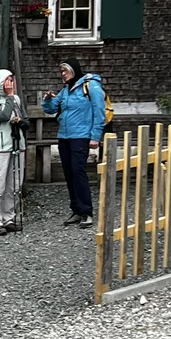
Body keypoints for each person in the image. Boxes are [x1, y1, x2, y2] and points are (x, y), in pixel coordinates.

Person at [41, 61, 107, 226]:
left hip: (81, 136)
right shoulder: (66, 90)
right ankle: (76, 210)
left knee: (78, 172)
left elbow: (100, 111)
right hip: (64, 136)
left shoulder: (91, 86)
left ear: (74, 70)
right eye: (61, 71)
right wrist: (47, 100)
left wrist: (95, 137)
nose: (63, 74)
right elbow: (50, 109)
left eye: (65, 71)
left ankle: (87, 212)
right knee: (69, 173)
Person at [0, 68, 27, 234]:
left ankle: (9, 218)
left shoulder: (16, 100)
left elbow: (27, 121)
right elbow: (1, 116)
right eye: (8, 80)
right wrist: (9, 98)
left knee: (14, 185)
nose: (11, 83)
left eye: (12, 80)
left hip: (17, 145)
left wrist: (20, 121)